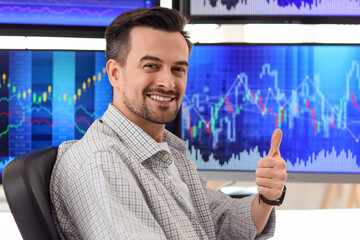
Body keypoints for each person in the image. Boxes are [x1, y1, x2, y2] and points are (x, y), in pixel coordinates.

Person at [50, 6, 287, 240]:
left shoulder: (164, 153)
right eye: (151, 66)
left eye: (178, 69)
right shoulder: (102, 161)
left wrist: (267, 197)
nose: (168, 82)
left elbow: (223, 222)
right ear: (115, 73)